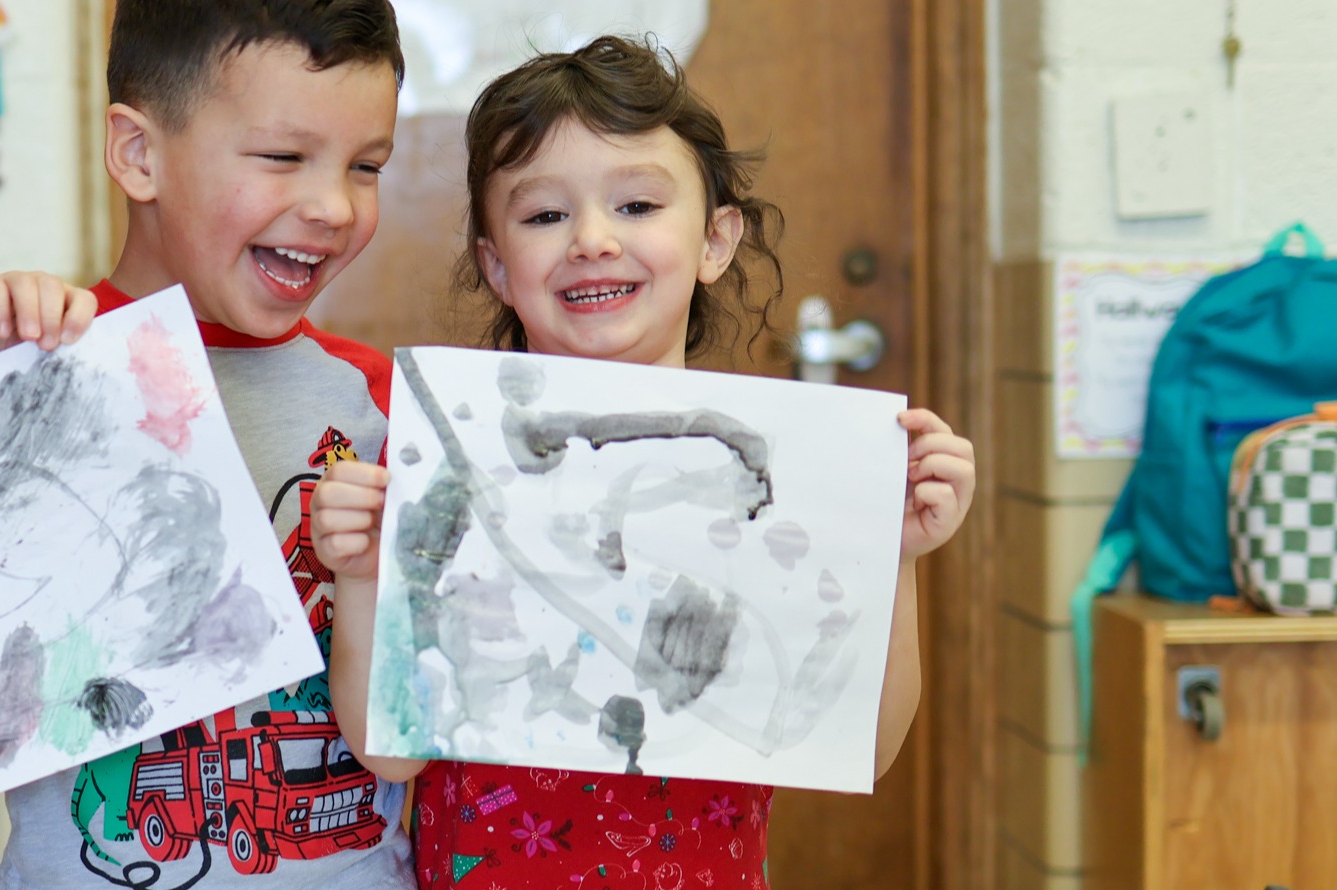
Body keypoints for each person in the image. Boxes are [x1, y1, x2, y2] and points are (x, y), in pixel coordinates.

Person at [310, 36, 978, 889]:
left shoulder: (768, 483)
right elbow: (386, 755)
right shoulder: (451, 475)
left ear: (715, 239)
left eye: (636, 206)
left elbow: (869, 747)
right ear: (496, 266)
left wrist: (896, 559)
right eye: (544, 216)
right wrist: (367, 577)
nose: (591, 239)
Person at [0, 1, 416, 887]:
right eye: (284, 157)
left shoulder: (380, 404)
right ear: (138, 154)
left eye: (368, 167)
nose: (331, 206)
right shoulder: (29, 366)